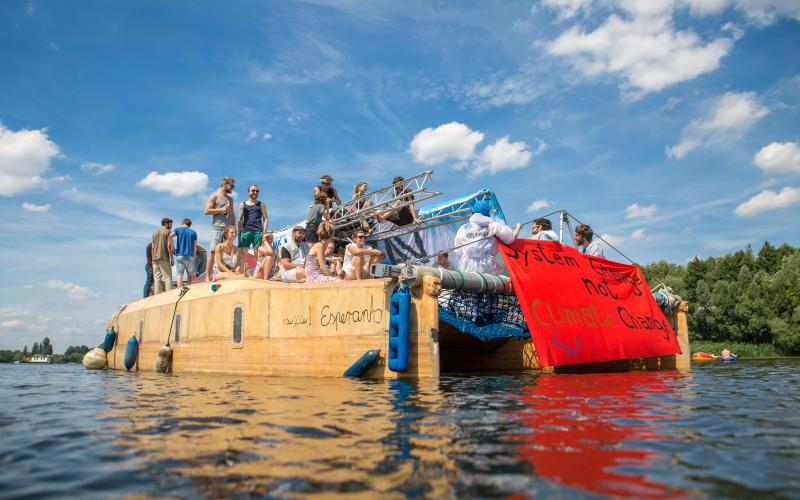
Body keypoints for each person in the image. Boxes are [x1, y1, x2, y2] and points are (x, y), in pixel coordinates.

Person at [454, 200, 516, 274]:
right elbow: (509, 239)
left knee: (469, 285)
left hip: (466, 266)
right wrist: (518, 228)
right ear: (487, 214)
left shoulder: (463, 228)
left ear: (473, 213)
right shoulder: (494, 226)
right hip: (488, 266)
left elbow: (458, 251)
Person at [204, 176, 236, 281]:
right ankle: (207, 277)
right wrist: (221, 209)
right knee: (213, 252)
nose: (233, 188)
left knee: (228, 252)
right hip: (217, 228)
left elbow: (232, 214)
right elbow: (207, 211)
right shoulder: (214, 197)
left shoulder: (230, 199)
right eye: (231, 185)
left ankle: (224, 274)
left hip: (228, 229)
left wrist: (233, 227)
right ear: (224, 184)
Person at [237, 184, 269, 274]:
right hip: (245, 231)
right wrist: (239, 233)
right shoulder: (242, 205)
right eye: (253, 190)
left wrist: (264, 233)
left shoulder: (261, 204)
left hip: (258, 231)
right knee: (243, 253)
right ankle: (242, 274)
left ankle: (257, 273)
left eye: (257, 191)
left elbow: (265, 218)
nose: (255, 192)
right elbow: (239, 219)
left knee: (257, 253)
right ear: (248, 192)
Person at [151, 218, 174, 294]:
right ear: (166, 224)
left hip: (155, 258)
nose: (171, 225)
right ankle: (169, 295)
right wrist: (172, 257)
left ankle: (157, 295)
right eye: (170, 224)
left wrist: (152, 259)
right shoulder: (169, 232)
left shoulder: (154, 233)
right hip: (164, 257)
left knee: (157, 278)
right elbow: (169, 246)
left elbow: (153, 247)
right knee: (168, 278)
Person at [173, 218, 198, 287]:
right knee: (191, 275)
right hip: (190, 255)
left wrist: (172, 247)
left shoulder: (178, 229)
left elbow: (170, 236)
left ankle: (180, 291)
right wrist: (194, 254)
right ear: (189, 225)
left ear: (183, 223)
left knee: (179, 274)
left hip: (180, 255)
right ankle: (189, 289)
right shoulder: (193, 232)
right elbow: (195, 245)